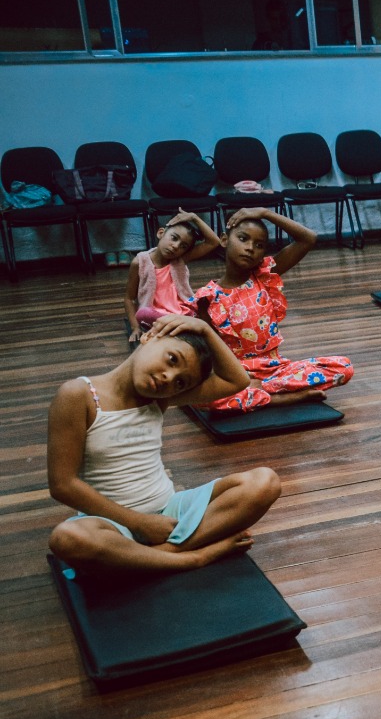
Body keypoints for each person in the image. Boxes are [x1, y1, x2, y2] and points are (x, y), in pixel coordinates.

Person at [46, 312, 281, 574]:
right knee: (67, 539)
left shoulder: (159, 398)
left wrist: (204, 328)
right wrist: (139, 523)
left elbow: (236, 381)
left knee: (265, 482)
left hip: (169, 512)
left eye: (181, 382)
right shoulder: (78, 395)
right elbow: (63, 486)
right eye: (172, 359)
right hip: (112, 523)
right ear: (150, 336)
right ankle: (194, 557)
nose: (169, 377)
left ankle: (159, 556)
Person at [191, 208, 353, 412]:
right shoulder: (208, 297)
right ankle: (285, 397)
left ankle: (261, 393)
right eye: (243, 239)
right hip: (237, 375)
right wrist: (238, 379)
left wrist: (265, 213)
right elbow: (209, 353)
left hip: (276, 370)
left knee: (344, 367)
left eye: (259, 245)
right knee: (204, 399)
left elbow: (308, 238)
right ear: (224, 240)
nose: (250, 248)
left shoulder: (264, 277)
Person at [122, 210, 222, 339]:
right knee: (143, 313)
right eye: (174, 238)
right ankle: (180, 325)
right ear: (161, 233)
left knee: (208, 303)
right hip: (155, 314)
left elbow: (213, 242)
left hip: (183, 312)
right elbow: (129, 298)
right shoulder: (140, 262)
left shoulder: (180, 259)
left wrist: (194, 217)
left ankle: (177, 324)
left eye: (183, 246)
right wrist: (135, 328)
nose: (175, 246)